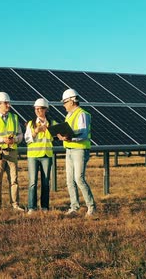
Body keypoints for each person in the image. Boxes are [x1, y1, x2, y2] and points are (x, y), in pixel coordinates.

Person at [56, 89, 96, 217]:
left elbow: (83, 134)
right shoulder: (68, 115)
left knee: (79, 178)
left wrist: (70, 138)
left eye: (65, 102)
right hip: (69, 149)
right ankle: (74, 207)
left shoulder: (82, 114)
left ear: (72, 101)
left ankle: (91, 207)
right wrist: (62, 136)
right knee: (69, 180)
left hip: (80, 149)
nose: (64, 105)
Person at [0, 92, 25, 211]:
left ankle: (15, 204)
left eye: (9, 103)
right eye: (6, 103)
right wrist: (2, 139)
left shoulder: (14, 117)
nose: (9, 105)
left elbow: (20, 135)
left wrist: (14, 140)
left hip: (12, 152)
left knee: (14, 180)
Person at [24, 98, 57, 214]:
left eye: (40, 109)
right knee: (32, 182)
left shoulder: (52, 123)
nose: (37, 111)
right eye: (36, 109)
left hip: (46, 155)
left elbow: (58, 134)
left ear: (45, 110)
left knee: (45, 182)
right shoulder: (31, 124)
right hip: (33, 156)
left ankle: (44, 207)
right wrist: (36, 131)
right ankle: (31, 207)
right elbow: (27, 139)